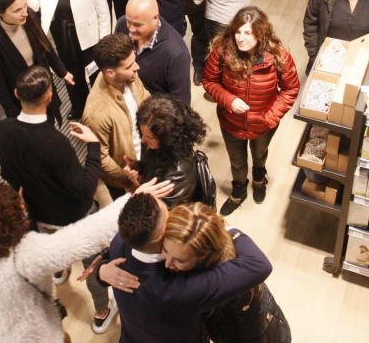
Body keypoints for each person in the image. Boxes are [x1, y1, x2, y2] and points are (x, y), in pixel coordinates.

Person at [0, 179, 172, 343]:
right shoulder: (24, 256)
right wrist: (131, 200)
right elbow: (83, 237)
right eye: (18, 205)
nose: (22, 202)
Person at [0, 66, 116, 333]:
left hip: (38, 214)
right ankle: (102, 311)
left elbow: (8, 175)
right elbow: (83, 189)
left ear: (16, 94)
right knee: (93, 265)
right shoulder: (54, 142)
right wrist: (93, 148)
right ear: (49, 96)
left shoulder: (2, 132)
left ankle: (59, 269)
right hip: (75, 217)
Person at [98, 193, 273, 343]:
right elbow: (258, 264)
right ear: (162, 234)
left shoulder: (120, 241)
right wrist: (220, 226)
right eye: (170, 216)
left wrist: (101, 271)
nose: (174, 214)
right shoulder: (181, 287)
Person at [204, 6, 300, 215]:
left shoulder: (277, 55)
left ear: (260, 32)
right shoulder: (222, 51)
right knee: (236, 161)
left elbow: (291, 88)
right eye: (238, 31)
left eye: (247, 33)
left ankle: (259, 178)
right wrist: (229, 100)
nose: (240, 38)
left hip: (263, 122)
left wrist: (270, 116)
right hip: (231, 121)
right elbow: (209, 82)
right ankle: (239, 191)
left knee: (259, 153)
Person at [163, 203, 291, 343]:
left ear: (203, 256)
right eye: (164, 249)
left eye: (179, 260)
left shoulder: (222, 281)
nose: (167, 264)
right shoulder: (225, 241)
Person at [28, 0, 111, 118]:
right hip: (61, 37)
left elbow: (104, 14)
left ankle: (99, 108)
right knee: (71, 74)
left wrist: (104, 44)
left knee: (95, 72)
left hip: (89, 38)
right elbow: (32, 2)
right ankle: (78, 106)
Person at [0, 0, 71, 122]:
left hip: (43, 84)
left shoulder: (28, 16)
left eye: (24, 5)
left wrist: (62, 71)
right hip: (23, 100)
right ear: (1, 12)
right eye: (17, 10)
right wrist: (13, 115)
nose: (24, 12)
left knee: (50, 120)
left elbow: (45, 45)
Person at [84, 33, 150, 197]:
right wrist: (127, 179)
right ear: (110, 73)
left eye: (134, 61)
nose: (136, 67)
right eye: (128, 66)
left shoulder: (129, 76)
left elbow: (145, 97)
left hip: (146, 158)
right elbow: (100, 157)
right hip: (125, 183)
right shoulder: (96, 112)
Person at [115, 0, 192, 104]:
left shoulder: (176, 54)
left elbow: (181, 105)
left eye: (137, 25)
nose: (130, 29)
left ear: (155, 19)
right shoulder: (122, 25)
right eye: (128, 22)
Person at [137, 95, 209, 208]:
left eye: (149, 137)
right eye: (142, 134)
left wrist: (137, 193)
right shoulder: (158, 148)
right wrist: (138, 168)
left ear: (167, 139)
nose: (142, 140)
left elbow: (159, 218)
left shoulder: (178, 174)